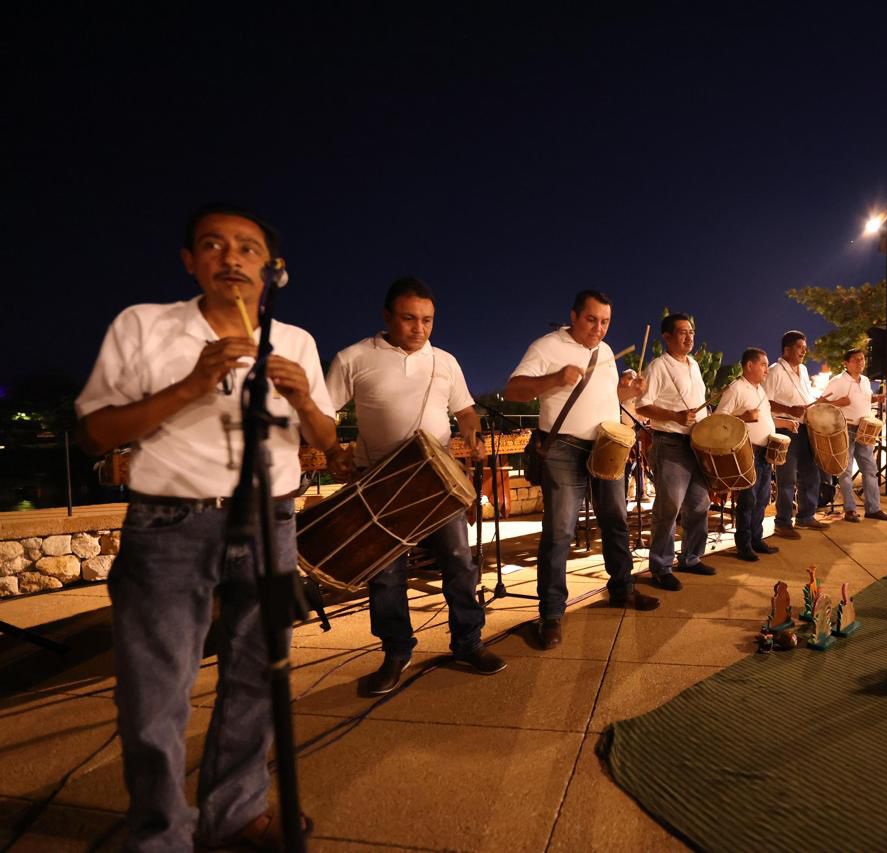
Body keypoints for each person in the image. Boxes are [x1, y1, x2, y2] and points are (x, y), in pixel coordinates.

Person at [76, 205, 342, 850]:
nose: (231, 257)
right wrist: (193, 386)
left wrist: (304, 397)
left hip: (270, 519)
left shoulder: (295, 340)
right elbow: (95, 432)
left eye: (247, 248)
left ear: (270, 269)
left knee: (258, 674)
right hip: (170, 524)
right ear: (190, 261)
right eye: (213, 245)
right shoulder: (145, 326)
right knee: (157, 688)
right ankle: (162, 832)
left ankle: (235, 811)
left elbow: (331, 443)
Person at [326, 278, 505, 696]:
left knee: (459, 562)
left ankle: (468, 642)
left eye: (427, 320)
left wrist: (473, 435)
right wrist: (334, 450)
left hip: (436, 478)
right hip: (380, 479)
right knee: (386, 573)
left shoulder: (445, 360)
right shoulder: (353, 357)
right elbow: (322, 411)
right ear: (387, 316)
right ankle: (395, 652)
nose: (419, 328)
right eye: (409, 318)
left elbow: (465, 411)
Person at [504, 290, 659, 650]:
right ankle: (552, 613)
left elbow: (606, 400)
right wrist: (554, 378)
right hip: (562, 447)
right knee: (559, 531)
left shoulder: (604, 352)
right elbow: (514, 390)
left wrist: (626, 392)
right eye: (592, 320)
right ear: (574, 316)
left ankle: (622, 589)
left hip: (605, 445)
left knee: (616, 520)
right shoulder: (546, 347)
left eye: (605, 322)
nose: (599, 329)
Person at [634, 313, 712, 589]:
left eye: (691, 331)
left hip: (697, 445)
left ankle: (691, 557)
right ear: (667, 337)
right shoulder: (658, 366)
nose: (689, 337)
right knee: (669, 508)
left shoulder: (694, 365)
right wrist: (675, 416)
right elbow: (642, 406)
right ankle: (661, 565)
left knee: (699, 505)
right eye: (682, 332)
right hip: (670, 442)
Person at [716, 348, 781, 560]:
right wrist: (742, 417)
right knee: (748, 501)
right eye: (763, 365)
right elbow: (720, 420)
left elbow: (764, 419)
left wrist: (785, 423)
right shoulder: (736, 389)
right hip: (747, 452)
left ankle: (756, 539)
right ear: (749, 365)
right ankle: (743, 545)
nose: (766, 370)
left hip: (764, 452)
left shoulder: (760, 391)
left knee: (762, 499)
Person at [764, 331, 827, 537]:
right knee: (787, 477)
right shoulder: (775, 371)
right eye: (800, 347)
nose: (804, 351)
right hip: (784, 428)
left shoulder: (803, 370)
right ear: (787, 350)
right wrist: (791, 410)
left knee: (811, 473)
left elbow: (806, 397)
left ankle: (805, 516)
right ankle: (782, 522)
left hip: (803, 428)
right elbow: (765, 401)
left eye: (804, 347)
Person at [824, 348, 887, 523]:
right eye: (856, 360)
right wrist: (838, 403)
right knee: (845, 471)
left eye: (862, 359)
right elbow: (821, 403)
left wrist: (876, 398)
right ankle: (850, 510)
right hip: (844, 429)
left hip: (864, 429)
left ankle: (873, 508)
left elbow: (864, 399)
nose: (860, 363)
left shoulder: (865, 381)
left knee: (870, 470)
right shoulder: (837, 381)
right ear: (845, 363)